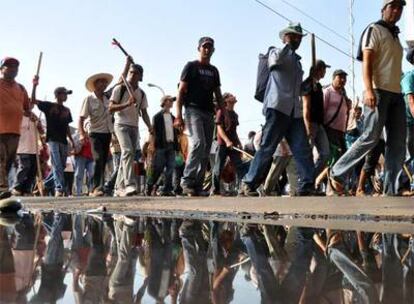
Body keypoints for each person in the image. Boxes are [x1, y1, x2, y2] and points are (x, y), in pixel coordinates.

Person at [329, 0, 406, 196]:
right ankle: (337, 173)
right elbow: (367, 62)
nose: (397, 11)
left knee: (397, 143)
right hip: (378, 91)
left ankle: (391, 189)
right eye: (393, 6)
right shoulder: (374, 29)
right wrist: (369, 90)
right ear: (383, 9)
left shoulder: (395, 36)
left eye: (400, 7)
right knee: (370, 136)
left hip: (397, 94)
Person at [242, 22, 316, 196]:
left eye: (299, 37)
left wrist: (310, 80)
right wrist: (287, 47)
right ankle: (249, 183)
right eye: (293, 36)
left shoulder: (298, 64)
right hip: (277, 107)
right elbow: (274, 62)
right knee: (267, 147)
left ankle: (307, 184)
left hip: (294, 111)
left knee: (302, 149)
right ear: (285, 37)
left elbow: (300, 89)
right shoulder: (276, 52)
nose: (297, 40)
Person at [174, 36, 223, 196]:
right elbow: (181, 91)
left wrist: (224, 113)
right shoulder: (191, 67)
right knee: (198, 143)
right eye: (204, 47)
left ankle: (197, 185)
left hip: (208, 112)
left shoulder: (214, 71)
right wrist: (178, 115)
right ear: (199, 49)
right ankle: (187, 180)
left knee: (206, 149)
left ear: (214, 50)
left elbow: (218, 94)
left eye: (210, 47)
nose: (207, 50)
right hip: (192, 110)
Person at [109, 63, 152, 197]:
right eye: (131, 72)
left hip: (134, 126)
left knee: (127, 157)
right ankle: (129, 184)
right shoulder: (120, 89)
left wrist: (150, 127)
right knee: (127, 151)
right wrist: (127, 104)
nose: (132, 75)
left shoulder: (141, 93)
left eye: (135, 73)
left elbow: (144, 112)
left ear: (140, 76)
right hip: (121, 124)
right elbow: (110, 108)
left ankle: (118, 187)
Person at [33, 87, 74, 197]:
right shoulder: (48, 105)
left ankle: (45, 185)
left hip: (63, 141)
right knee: (56, 165)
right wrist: (34, 86)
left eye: (67, 94)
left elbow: (67, 126)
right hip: (52, 140)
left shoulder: (67, 110)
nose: (66, 96)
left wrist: (71, 140)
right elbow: (33, 100)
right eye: (64, 94)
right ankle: (59, 188)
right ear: (57, 95)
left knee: (61, 166)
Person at [79, 72, 114, 197]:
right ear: (95, 84)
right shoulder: (89, 99)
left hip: (107, 132)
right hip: (94, 132)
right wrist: (82, 134)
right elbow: (81, 118)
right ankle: (95, 187)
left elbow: (121, 81)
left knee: (103, 161)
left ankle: (98, 186)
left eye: (105, 82)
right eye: (101, 82)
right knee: (98, 159)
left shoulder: (108, 98)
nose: (104, 84)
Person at [0, 57, 30, 199]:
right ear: (1, 69)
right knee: (0, 159)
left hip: (14, 131)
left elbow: (28, 108)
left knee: (8, 163)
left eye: (15, 66)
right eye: (8, 66)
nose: (13, 68)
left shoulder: (21, 88)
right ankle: (2, 189)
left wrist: (35, 86)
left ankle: (2, 189)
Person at [211, 93, 248, 196]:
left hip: (233, 145)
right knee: (219, 167)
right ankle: (216, 189)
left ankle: (243, 188)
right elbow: (219, 128)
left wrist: (239, 142)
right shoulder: (221, 112)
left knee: (239, 166)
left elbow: (234, 131)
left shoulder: (235, 115)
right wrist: (227, 141)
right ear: (226, 100)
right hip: (223, 144)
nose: (234, 96)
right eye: (231, 95)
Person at [302, 59, 331, 177]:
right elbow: (306, 106)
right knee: (307, 154)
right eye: (324, 69)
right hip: (311, 123)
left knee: (325, 154)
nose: (325, 72)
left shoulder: (318, 86)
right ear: (319, 70)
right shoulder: (307, 84)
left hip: (319, 124)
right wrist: (307, 124)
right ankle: (304, 181)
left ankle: (310, 178)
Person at [146, 95, 179, 196]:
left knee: (171, 167)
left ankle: (167, 189)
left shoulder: (173, 118)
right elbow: (153, 132)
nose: (171, 102)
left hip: (171, 145)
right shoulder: (157, 117)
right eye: (169, 100)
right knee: (158, 168)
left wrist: (177, 147)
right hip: (160, 145)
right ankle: (150, 185)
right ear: (164, 102)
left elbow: (176, 133)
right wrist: (152, 145)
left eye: (172, 101)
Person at [323, 70, 352, 162]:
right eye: (340, 77)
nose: (343, 80)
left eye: (345, 78)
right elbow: (322, 111)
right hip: (330, 131)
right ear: (333, 78)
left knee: (342, 158)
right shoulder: (327, 92)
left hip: (341, 132)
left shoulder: (344, 95)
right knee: (333, 158)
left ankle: (333, 176)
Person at [12, 113, 44, 196]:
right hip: (22, 147)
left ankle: (26, 189)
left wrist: (38, 122)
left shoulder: (34, 116)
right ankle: (17, 187)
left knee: (33, 169)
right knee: (24, 166)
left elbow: (42, 131)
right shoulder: (18, 116)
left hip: (34, 148)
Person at [402, 48, 414, 167]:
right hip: (408, 122)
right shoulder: (409, 77)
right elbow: (411, 101)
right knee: (408, 156)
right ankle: (382, 178)